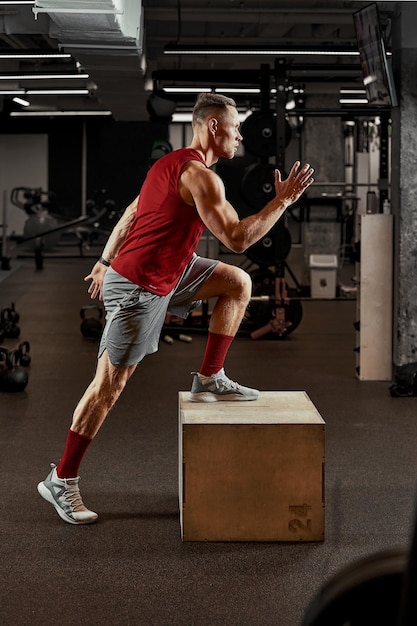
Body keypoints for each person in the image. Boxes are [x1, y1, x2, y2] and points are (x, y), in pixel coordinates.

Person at [37, 92, 314, 525]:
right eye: (236, 127)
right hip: (138, 287)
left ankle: (209, 378)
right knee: (108, 387)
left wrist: (103, 261)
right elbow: (238, 239)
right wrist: (281, 202)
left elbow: (132, 214)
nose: (241, 136)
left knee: (238, 282)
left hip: (170, 271)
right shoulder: (201, 177)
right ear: (214, 127)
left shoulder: (167, 165)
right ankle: (62, 478)